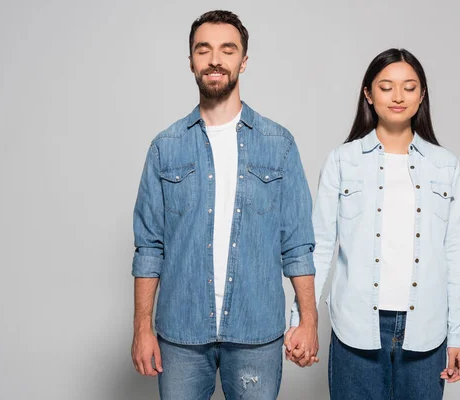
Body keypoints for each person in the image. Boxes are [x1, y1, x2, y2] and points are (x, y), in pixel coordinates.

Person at [130, 10, 318, 399]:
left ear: (243, 61)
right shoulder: (165, 147)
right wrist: (142, 328)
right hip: (181, 332)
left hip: (256, 330)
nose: (215, 59)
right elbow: (149, 247)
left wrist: (309, 319)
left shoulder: (278, 144)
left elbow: (297, 243)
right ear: (191, 62)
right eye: (204, 50)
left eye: (227, 50)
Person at [287, 48, 460, 399]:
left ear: (422, 95)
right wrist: (300, 320)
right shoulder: (343, 161)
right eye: (386, 87)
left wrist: (458, 335)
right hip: (355, 328)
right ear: (369, 95)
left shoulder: (445, 166)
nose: (398, 96)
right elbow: (320, 245)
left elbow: (456, 254)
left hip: (427, 332)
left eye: (409, 87)